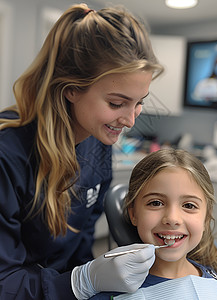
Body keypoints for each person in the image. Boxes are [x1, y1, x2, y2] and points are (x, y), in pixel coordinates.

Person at [0, 3, 163, 300]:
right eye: (116, 103)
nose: (129, 120)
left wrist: (91, 280)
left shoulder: (99, 140)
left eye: (139, 102)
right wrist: (80, 281)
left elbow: (83, 238)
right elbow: (3, 280)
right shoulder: (7, 156)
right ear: (71, 88)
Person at [91, 148, 217, 299]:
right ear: (133, 213)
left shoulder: (215, 282)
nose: (172, 218)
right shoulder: (110, 292)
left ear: (206, 218)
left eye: (189, 205)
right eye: (156, 203)